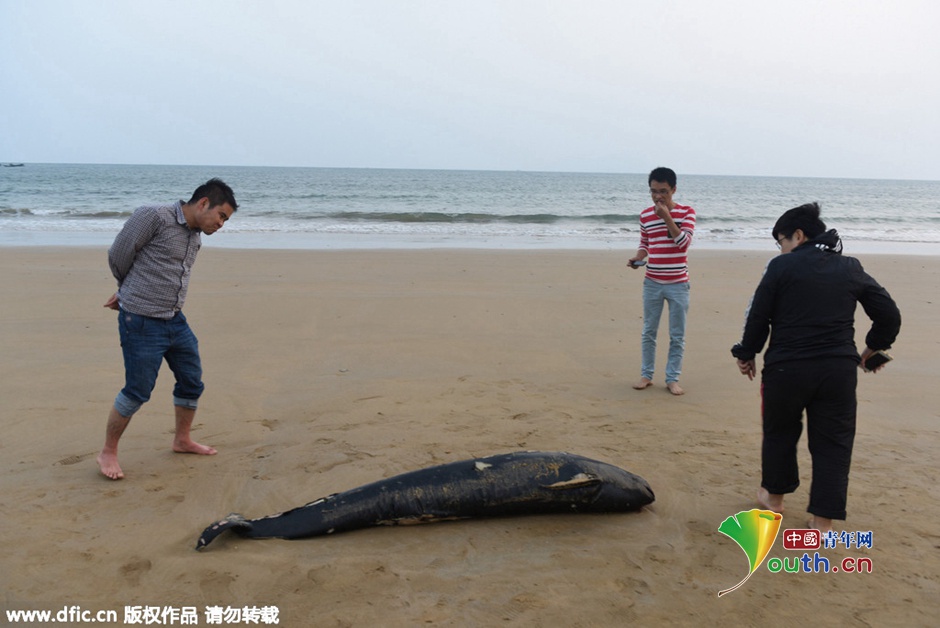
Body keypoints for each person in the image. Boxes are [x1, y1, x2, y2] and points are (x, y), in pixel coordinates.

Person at [731, 203, 901, 532]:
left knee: (779, 433)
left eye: (781, 241)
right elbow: (889, 314)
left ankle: (774, 500)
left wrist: (747, 352)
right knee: (834, 443)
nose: (781, 249)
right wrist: (873, 349)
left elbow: (759, 315)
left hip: (786, 369)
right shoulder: (849, 267)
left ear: (798, 235)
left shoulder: (781, 267)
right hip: (837, 371)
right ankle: (821, 523)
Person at [97, 178, 238, 480]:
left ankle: (182, 440)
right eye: (221, 216)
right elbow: (118, 254)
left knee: (191, 381)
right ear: (203, 203)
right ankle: (108, 452)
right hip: (141, 321)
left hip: (175, 319)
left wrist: (127, 291)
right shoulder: (154, 216)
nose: (221, 224)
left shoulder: (195, 237)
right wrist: (126, 291)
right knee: (137, 391)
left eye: (226, 220)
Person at [628, 167, 696, 395]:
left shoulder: (687, 212)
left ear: (673, 190)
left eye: (663, 191)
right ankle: (646, 375)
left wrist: (666, 216)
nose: (658, 196)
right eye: (653, 191)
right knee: (649, 331)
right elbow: (645, 243)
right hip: (652, 282)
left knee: (677, 335)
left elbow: (684, 243)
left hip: (678, 283)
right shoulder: (645, 215)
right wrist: (638, 257)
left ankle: (672, 379)